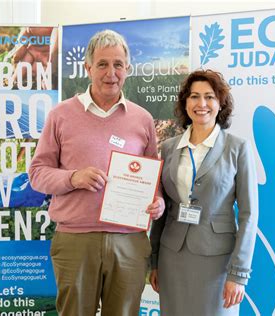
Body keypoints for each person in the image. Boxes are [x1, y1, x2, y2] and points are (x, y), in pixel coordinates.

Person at [28, 29, 165, 316]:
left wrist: (158, 201)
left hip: (129, 241)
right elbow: (38, 173)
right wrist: (72, 177)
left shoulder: (142, 119)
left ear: (127, 69)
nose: (111, 73)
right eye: (102, 64)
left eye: (118, 65)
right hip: (76, 240)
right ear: (88, 68)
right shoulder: (61, 115)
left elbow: (153, 178)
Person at [149, 69, 259, 315]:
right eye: (194, 96)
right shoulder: (168, 148)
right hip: (172, 257)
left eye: (209, 97)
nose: (201, 104)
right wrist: (153, 261)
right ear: (185, 103)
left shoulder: (238, 148)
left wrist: (239, 274)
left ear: (220, 103)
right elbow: (162, 211)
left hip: (217, 260)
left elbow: (249, 215)